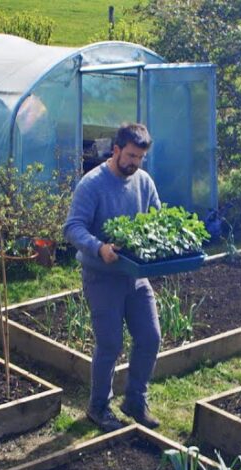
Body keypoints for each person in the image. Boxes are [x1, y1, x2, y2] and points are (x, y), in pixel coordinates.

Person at [62, 122, 162, 432]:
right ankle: (98, 407)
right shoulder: (92, 184)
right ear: (116, 150)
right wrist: (99, 247)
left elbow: (157, 218)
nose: (134, 163)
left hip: (136, 276)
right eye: (130, 155)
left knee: (150, 337)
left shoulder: (143, 182)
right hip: (102, 276)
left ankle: (135, 399)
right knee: (110, 344)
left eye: (140, 157)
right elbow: (73, 227)